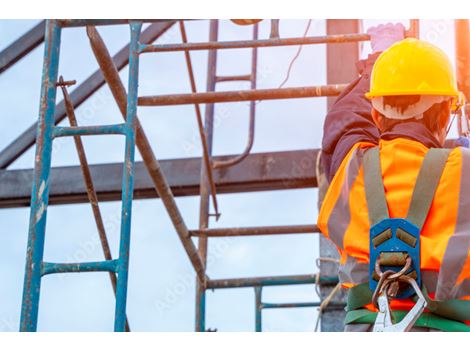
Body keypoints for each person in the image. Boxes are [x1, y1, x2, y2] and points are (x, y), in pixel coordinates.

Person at [317, 23, 470, 331]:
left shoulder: (352, 171)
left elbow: (345, 123)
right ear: (443, 116)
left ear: (376, 115)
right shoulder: (464, 171)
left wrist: (380, 59)